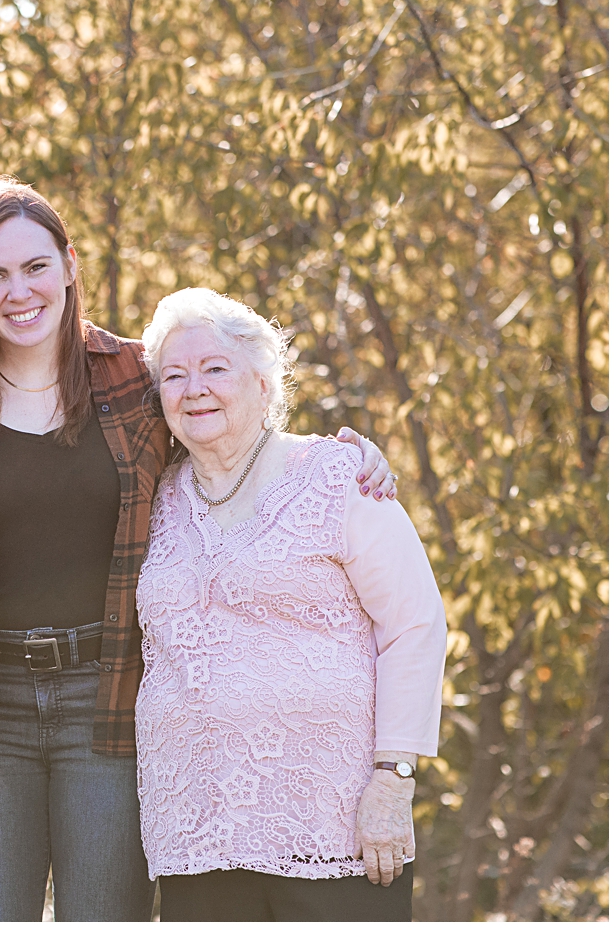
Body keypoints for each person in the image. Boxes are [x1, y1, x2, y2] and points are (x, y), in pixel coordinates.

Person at [0, 182, 397, 923]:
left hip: (108, 698)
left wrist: (334, 458)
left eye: (35, 266)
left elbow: (230, 437)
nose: (17, 291)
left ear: (69, 263)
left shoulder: (134, 378)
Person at [137, 287, 448, 921]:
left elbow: (414, 624)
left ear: (262, 381)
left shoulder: (339, 477)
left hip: (333, 826)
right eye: (174, 375)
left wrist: (395, 776)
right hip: (196, 831)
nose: (194, 387)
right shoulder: (150, 498)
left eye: (214, 368)